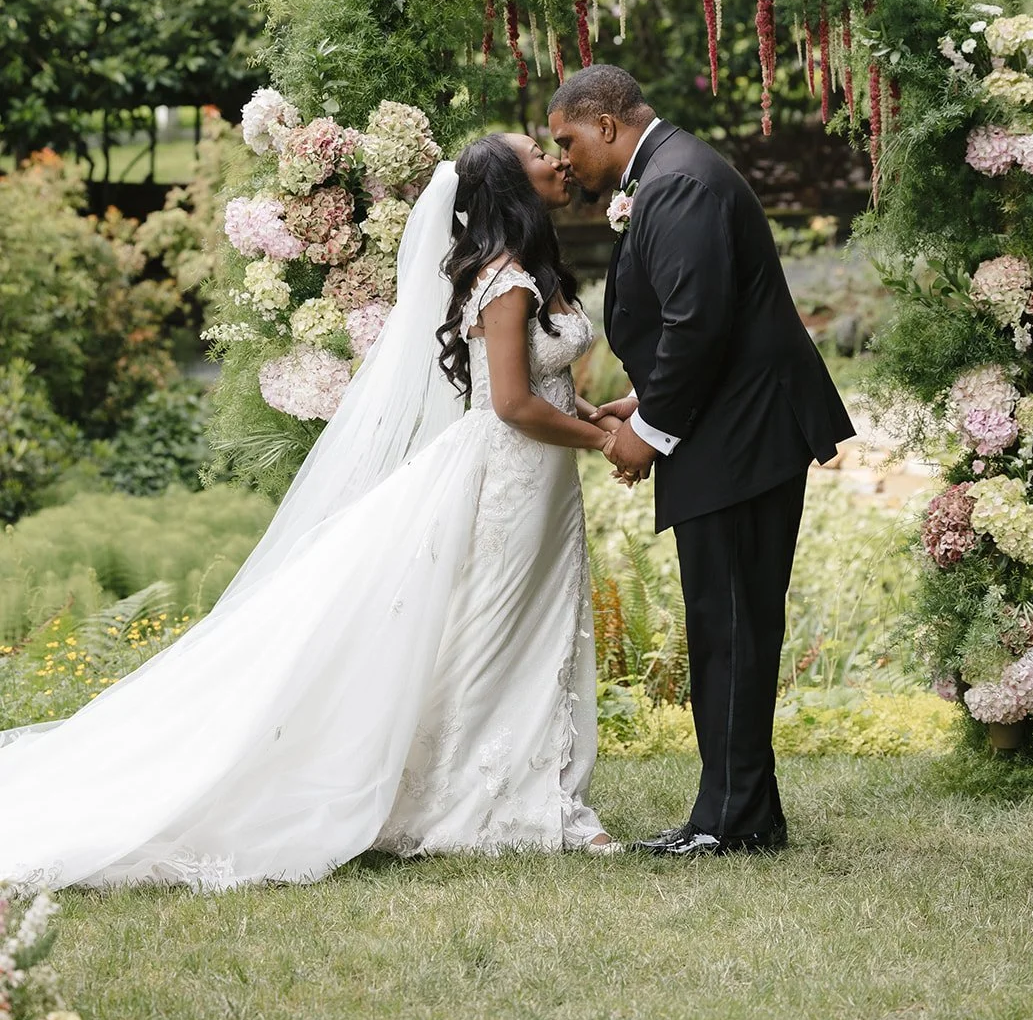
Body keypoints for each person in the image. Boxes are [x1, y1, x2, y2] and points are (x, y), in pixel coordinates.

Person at [0, 135, 623, 891]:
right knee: (497, 628)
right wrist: (603, 442)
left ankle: (515, 786)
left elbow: (542, 384)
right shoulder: (508, 281)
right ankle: (485, 799)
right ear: (509, 186)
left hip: (536, 476)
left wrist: (603, 412)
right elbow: (513, 402)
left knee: (523, 625)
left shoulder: (525, 272)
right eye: (538, 154)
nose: (557, 160)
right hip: (508, 479)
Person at [548, 66, 856, 858]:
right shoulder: (669, 170)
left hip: (743, 437)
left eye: (567, 140)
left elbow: (696, 323)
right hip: (727, 427)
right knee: (728, 625)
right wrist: (641, 404)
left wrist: (649, 433)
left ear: (607, 126)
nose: (564, 159)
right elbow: (696, 320)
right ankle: (738, 813)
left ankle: (732, 822)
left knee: (731, 626)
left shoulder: (677, 183)